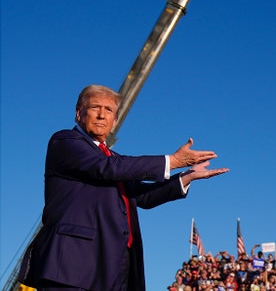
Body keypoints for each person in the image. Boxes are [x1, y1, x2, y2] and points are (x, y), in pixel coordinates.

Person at [17, 84, 230, 291]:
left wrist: (185, 177)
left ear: (115, 120)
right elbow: (105, 168)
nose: (102, 115)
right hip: (72, 267)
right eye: (95, 108)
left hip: (113, 269)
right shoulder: (65, 141)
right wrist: (171, 161)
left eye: (108, 110)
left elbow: (142, 196)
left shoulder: (115, 161)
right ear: (79, 113)